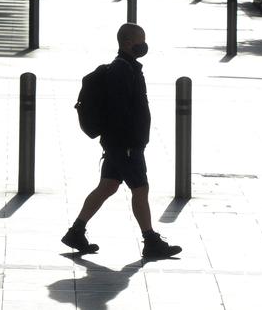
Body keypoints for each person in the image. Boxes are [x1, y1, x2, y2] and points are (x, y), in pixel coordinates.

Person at [61, 24, 182, 260]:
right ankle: (151, 241)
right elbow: (120, 111)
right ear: (127, 42)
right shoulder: (121, 71)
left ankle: (76, 232)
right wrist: (130, 142)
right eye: (140, 40)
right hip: (125, 144)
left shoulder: (128, 68)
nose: (144, 45)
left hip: (120, 144)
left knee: (108, 186)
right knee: (140, 188)